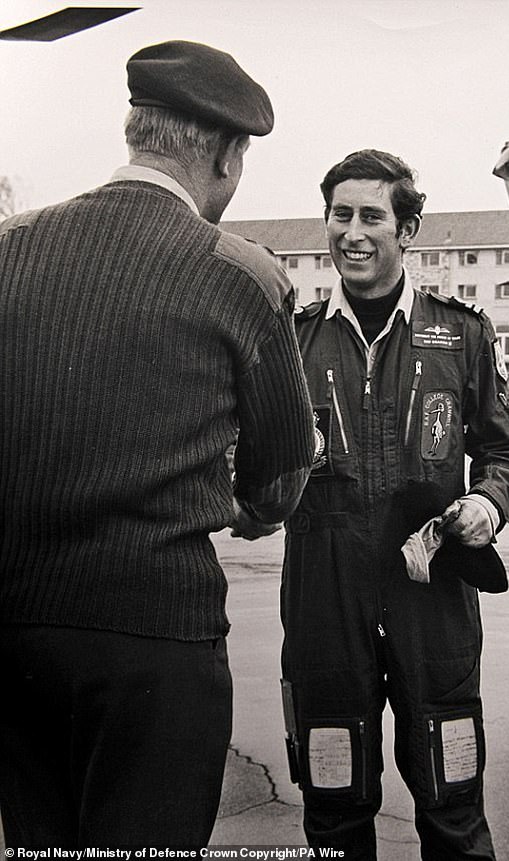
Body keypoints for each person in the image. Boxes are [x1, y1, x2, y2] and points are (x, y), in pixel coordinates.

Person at [0, 41, 314, 849]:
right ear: (223, 150)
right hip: (156, 642)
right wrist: (247, 506)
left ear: (137, 129)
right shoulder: (240, 271)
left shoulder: (10, 247)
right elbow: (282, 470)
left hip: (18, 628)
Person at [280, 149, 509, 860]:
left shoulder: (461, 333)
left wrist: (487, 502)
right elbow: (254, 456)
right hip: (323, 602)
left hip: (433, 601)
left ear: (409, 229)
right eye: (340, 215)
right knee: (332, 813)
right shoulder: (292, 338)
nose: (352, 233)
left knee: (453, 807)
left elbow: (508, 450)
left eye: (371, 216)